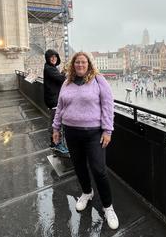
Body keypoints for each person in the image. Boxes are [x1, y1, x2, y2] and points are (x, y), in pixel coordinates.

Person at [52, 52, 119, 230]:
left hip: (93, 134)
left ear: (89, 64)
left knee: (99, 170)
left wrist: (108, 130)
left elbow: (107, 105)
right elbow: (60, 106)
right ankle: (87, 193)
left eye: (83, 62)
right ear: (73, 65)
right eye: (77, 62)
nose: (80, 65)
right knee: (79, 166)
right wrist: (56, 128)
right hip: (71, 132)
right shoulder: (67, 82)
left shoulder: (98, 80)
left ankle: (108, 207)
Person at [43, 49, 69, 155]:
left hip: (52, 98)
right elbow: (61, 79)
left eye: (55, 57)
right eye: (51, 57)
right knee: (55, 123)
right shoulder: (49, 68)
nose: (54, 59)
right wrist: (68, 73)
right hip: (53, 100)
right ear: (48, 58)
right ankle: (56, 144)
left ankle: (55, 143)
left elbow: (57, 78)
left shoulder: (51, 68)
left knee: (54, 121)